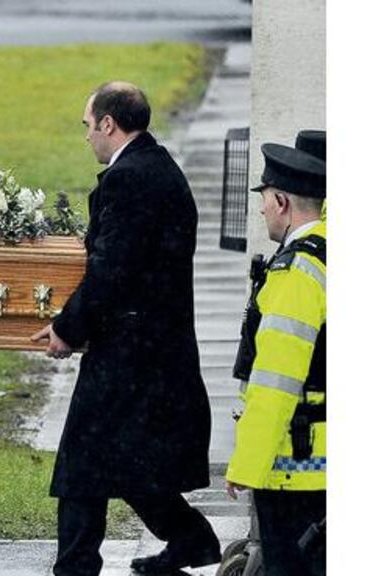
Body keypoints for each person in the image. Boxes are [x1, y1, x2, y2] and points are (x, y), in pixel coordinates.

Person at [30, 81, 219, 575]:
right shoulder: (154, 167)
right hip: (152, 345)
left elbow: (112, 268)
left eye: (88, 126)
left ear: (108, 124)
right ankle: (191, 540)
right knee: (133, 463)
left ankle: (75, 566)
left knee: (82, 464)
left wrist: (67, 328)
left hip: (130, 348)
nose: (87, 136)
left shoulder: (130, 179)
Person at [225, 130, 326, 576]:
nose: (262, 207)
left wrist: (247, 463)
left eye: (264, 197)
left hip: (297, 471)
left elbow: (276, 382)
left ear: (282, 202)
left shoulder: (295, 273)